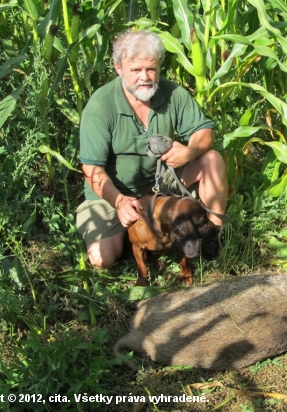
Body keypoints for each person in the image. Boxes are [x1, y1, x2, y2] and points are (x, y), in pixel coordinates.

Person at [76, 29, 228, 269]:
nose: (144, 77)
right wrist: (119, 202)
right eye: (136, 70)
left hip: (159, 182)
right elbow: (91, 169)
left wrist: (189, 152)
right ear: (118, 68)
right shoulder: (100, 106)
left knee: (211, 160)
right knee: (101, 259)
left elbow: (204, 132)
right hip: (114, 192)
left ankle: (212, 237)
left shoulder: (172, 93)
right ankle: (133, 239)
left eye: (151, 69)